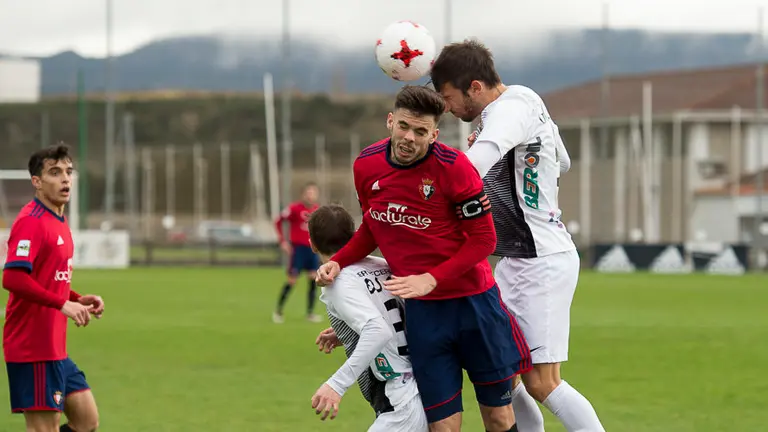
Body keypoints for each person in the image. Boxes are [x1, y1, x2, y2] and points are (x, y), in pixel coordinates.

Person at [316, 85, 531, 432]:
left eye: (420, 131)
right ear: (390, 121)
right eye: (403, 126)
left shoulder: (455, 167)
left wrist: (430, 278)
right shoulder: (367, 165)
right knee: (442, 426)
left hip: (474, 307)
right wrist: (339, 261)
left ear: (434, 134)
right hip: (425, 316)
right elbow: (375, 225)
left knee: (499, 417)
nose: (409, 138)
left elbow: (484, 240)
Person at [429, 39, 605, 432]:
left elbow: (474, 167)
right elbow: (563, 160)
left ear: (475, 86)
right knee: (500, 372)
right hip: (516, 261)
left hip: (541, 259)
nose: (448, 107)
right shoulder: (524, 100)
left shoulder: (508, 111)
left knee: (542, 382)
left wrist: (428, 195)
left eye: (449, 97)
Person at [2, 144, 103, 432]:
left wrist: (76, 298)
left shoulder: (58, 220)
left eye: (68, 172)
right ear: (36, 181)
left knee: (87, 421)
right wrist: (62, 304)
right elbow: (13, 278)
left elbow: (49, 277)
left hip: (55, 347)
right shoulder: (31, 223)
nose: (65, 179)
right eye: (55, 173)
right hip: (33, 347)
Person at [307, 204, 427, 431]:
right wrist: (349, 330)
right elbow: (393, 315)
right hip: (422, 384)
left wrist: (336, 385)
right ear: (354, 236)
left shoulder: (335, 283)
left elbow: (378, 330)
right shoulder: (380, 264)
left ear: (312, 244)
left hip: (399, 398)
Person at [273, 182, 321, 323]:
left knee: (313, 279)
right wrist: (283, 241)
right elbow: (278, 221)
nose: (310, 195)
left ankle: (310, 313)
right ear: (303, 194)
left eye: (313, 192)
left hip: (312, 250)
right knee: (292, 280)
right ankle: (278, 311)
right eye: (308, 192)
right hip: (298, 249)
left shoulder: (317, 210)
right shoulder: (294, 208)